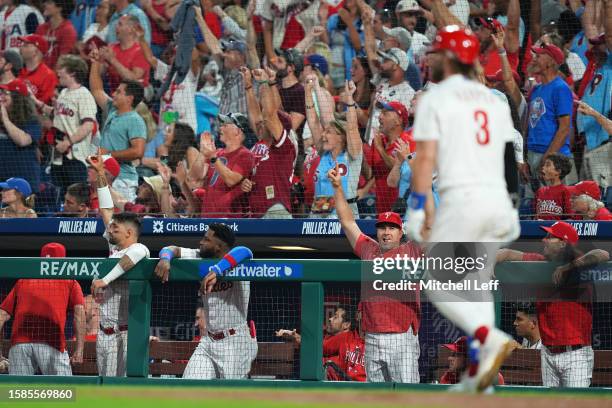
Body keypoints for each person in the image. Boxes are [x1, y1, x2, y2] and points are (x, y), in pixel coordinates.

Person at [404, 25, 520, 393]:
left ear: (451, 58)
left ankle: (488, 338)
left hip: (463, 200)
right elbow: (507, 157)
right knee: (476, 286)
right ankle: (480, 381)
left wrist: (420, 209)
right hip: (498, 202)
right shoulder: (494, 100)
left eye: (437, 52)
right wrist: (512, 203)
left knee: (436, 282)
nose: (431, 57)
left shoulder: (435, 99)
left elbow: (424, 160)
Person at [329, 161, 420, 382]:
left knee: (407, 398)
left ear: (401, 233)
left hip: (401, 336)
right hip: (371, 337)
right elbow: (347, 221)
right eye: (382, 228)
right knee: (376, 398)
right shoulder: (369, 248)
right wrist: (338, 189)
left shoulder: (413, 250)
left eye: (391, 228)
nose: (386, 233)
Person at [496, 221, 610, 387]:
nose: (544, 240)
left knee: (576, 403)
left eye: (550, 237)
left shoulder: (580, 266)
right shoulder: (540, 263)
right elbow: (506, 253)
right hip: (547, 352)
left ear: (563, 243)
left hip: (575, 354)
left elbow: (603, 253)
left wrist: (568, 267)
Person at [153, 223, 258, 379]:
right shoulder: (200, 257)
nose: (201, 242)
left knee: (231, 398)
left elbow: (245, 251)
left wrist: (217, 270)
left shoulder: (237, 261)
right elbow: (170, 249)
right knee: (189, 385)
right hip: (208, 341)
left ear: (219, 246)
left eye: (206, 239)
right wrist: (165, 259)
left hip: (235, 342)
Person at [88, 150, 151, 377]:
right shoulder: (114, 244)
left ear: (129, 232)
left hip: (127, 334)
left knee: (126, 390)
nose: (110, 228)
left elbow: (127, 261)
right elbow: (105, 209)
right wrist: (101, 174)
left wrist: (104, 279)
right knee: (103, 386)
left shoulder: (139, 249)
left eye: (115, 228)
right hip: (105, 332)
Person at [0, 242, 85, 375]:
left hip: (20, 345)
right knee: (62, 392)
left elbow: (1, 316)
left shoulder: (23, 280)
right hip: (52, 343)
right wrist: (79, 350)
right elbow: (79, 314)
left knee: (18, 393)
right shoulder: (70, 281)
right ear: (63, 261)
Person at [33, 55, 97, 195]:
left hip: (75, 158)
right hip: (57, 158)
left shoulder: (84, 95)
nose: (58, 72)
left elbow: (88, 125)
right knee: (59, 199)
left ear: (72, 72)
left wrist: (68, 142)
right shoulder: (63, 93)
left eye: (61, 69)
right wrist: (34, 100)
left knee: (76, 198)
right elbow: (56, 114)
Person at [89, 49, 147, 202]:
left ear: (129, 98)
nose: (114, 94)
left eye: (119, 92)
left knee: (120, 220)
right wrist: (95, 63)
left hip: (123, 180)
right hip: (105, 177)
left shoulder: (135, 120)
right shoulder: (112, 110)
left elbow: (138, 151)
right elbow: (96, 90)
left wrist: (109, 155)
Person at [241, 67, 296, 219]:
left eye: (265, 122)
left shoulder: (284, 146)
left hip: (276, 210)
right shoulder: (260, 143)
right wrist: (248, 86)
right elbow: (256, 117)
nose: (261, 122)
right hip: (256, 210)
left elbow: (270, 115)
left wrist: (265, 83)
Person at [306, 79, 362, 218]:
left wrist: (349, 99)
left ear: (341, 137)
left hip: (345, 214)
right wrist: (308, 92)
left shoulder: (352, 155)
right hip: (319, 211)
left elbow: (352, 127)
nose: (323, 135)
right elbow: (313, 122)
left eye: (328, 132)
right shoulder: (324, 153)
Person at [526, 43, 576, 195]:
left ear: (551, 62)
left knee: (559, 207)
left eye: (539, 56)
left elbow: (564, 128)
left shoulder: (560, 88)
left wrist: (547, 160)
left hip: (554, 159)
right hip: (533, 155)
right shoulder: (536, 89)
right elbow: (530, 125)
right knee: (536, 209)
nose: (534, 59)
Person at [190, 115, 255, 218]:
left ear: (238, 131)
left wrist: (212, 157)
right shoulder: (217, 152)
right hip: (207, 215)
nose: (220, 128)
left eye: (225, 125)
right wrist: (203, 153)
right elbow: (194, 177)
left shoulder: (245, 155)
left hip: (228, 218)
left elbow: (231, 180)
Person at [0, 79, 41, 191]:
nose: (1, 97)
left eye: (6, 93)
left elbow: (22, 141)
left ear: (17, 97)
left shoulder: (32, 121)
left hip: (23, 185)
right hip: (3, 183)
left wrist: (5, 118)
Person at [99, 15, 150, 93]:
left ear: (131, 29)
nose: (116, 27)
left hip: (134, 99)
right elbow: (100, 74)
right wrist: (99, 60)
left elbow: (134, 81)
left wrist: (113, 60)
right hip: (113, 95)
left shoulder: (142, 51)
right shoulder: (111, 48)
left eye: (120, 24)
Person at [439, 336, 505, 385]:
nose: (449, 358)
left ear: (468, 358)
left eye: (456, 355)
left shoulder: (492, 378)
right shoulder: (448, 377)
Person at [35, 0, 77, 69]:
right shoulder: (41, 28)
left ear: (59, 8)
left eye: (49, 3)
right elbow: (35, 55)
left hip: (56, 76)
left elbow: (62, 61)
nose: (44, 4)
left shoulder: (68, 30)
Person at [18, 34, 58, 104]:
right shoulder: (16, 70)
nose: (20, 48)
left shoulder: (48, 75)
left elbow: (44, 104)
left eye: (25, 46)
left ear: (36, 52)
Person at [534, 153, 573, 220]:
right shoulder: (540, 191)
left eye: (548, 165)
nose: (543, 167)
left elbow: (570, 218)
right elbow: (535, 215)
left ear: (558, 171)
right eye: (544, 165)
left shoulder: (565, 191)